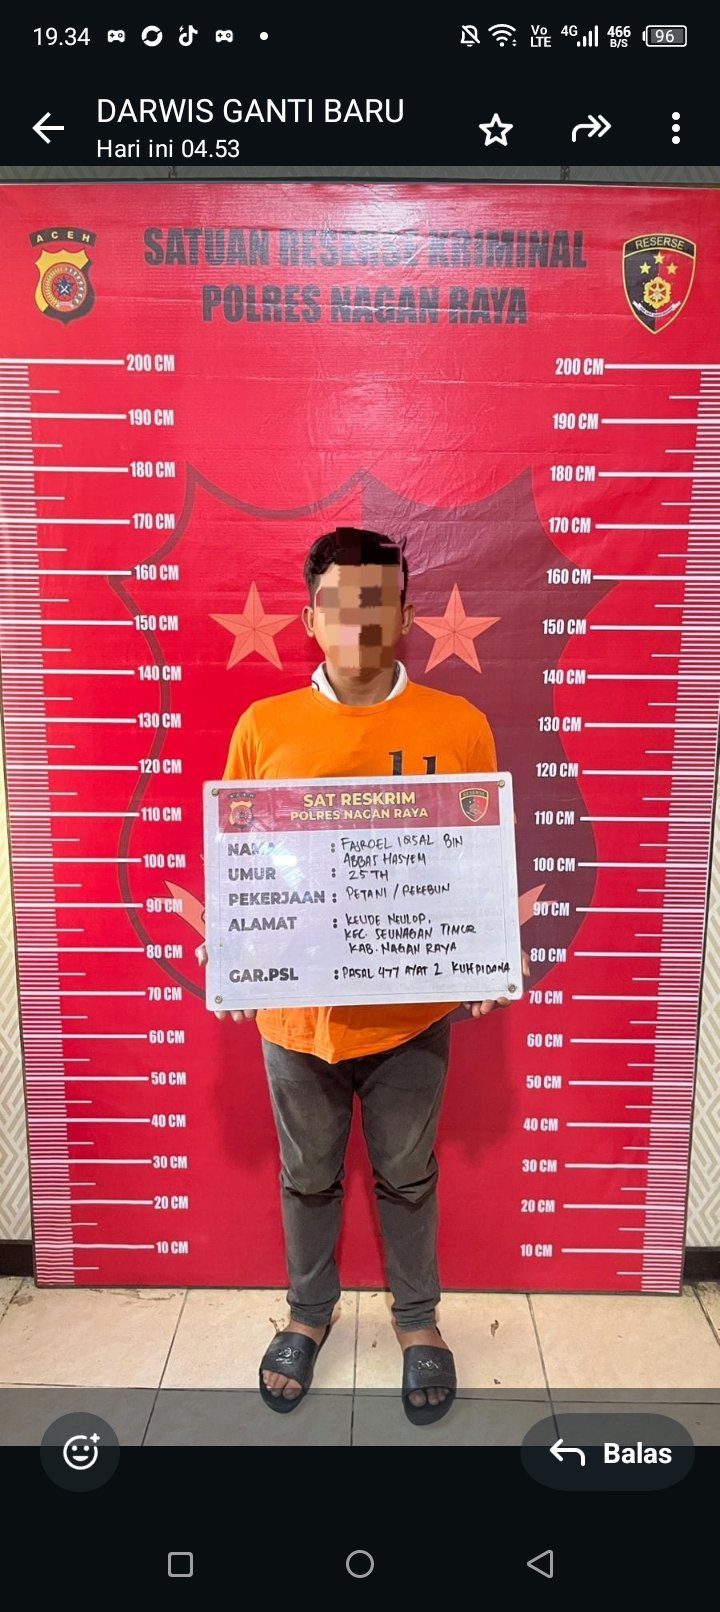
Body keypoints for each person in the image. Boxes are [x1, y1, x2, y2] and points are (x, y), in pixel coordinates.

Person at [197, 526, 529, 1425]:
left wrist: (494, 945)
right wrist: (232, 948)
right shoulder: (264, 726)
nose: (360, 622)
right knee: (307, 1173)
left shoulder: (457, 725)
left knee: (408, 1171)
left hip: (411, 1014)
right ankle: (308, 1313)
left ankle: (418, 1321)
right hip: (296, 1021)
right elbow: (240, 865)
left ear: (407, 616)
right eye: (340, 604)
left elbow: (475, 865)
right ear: (310, 619)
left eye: (378, 603)